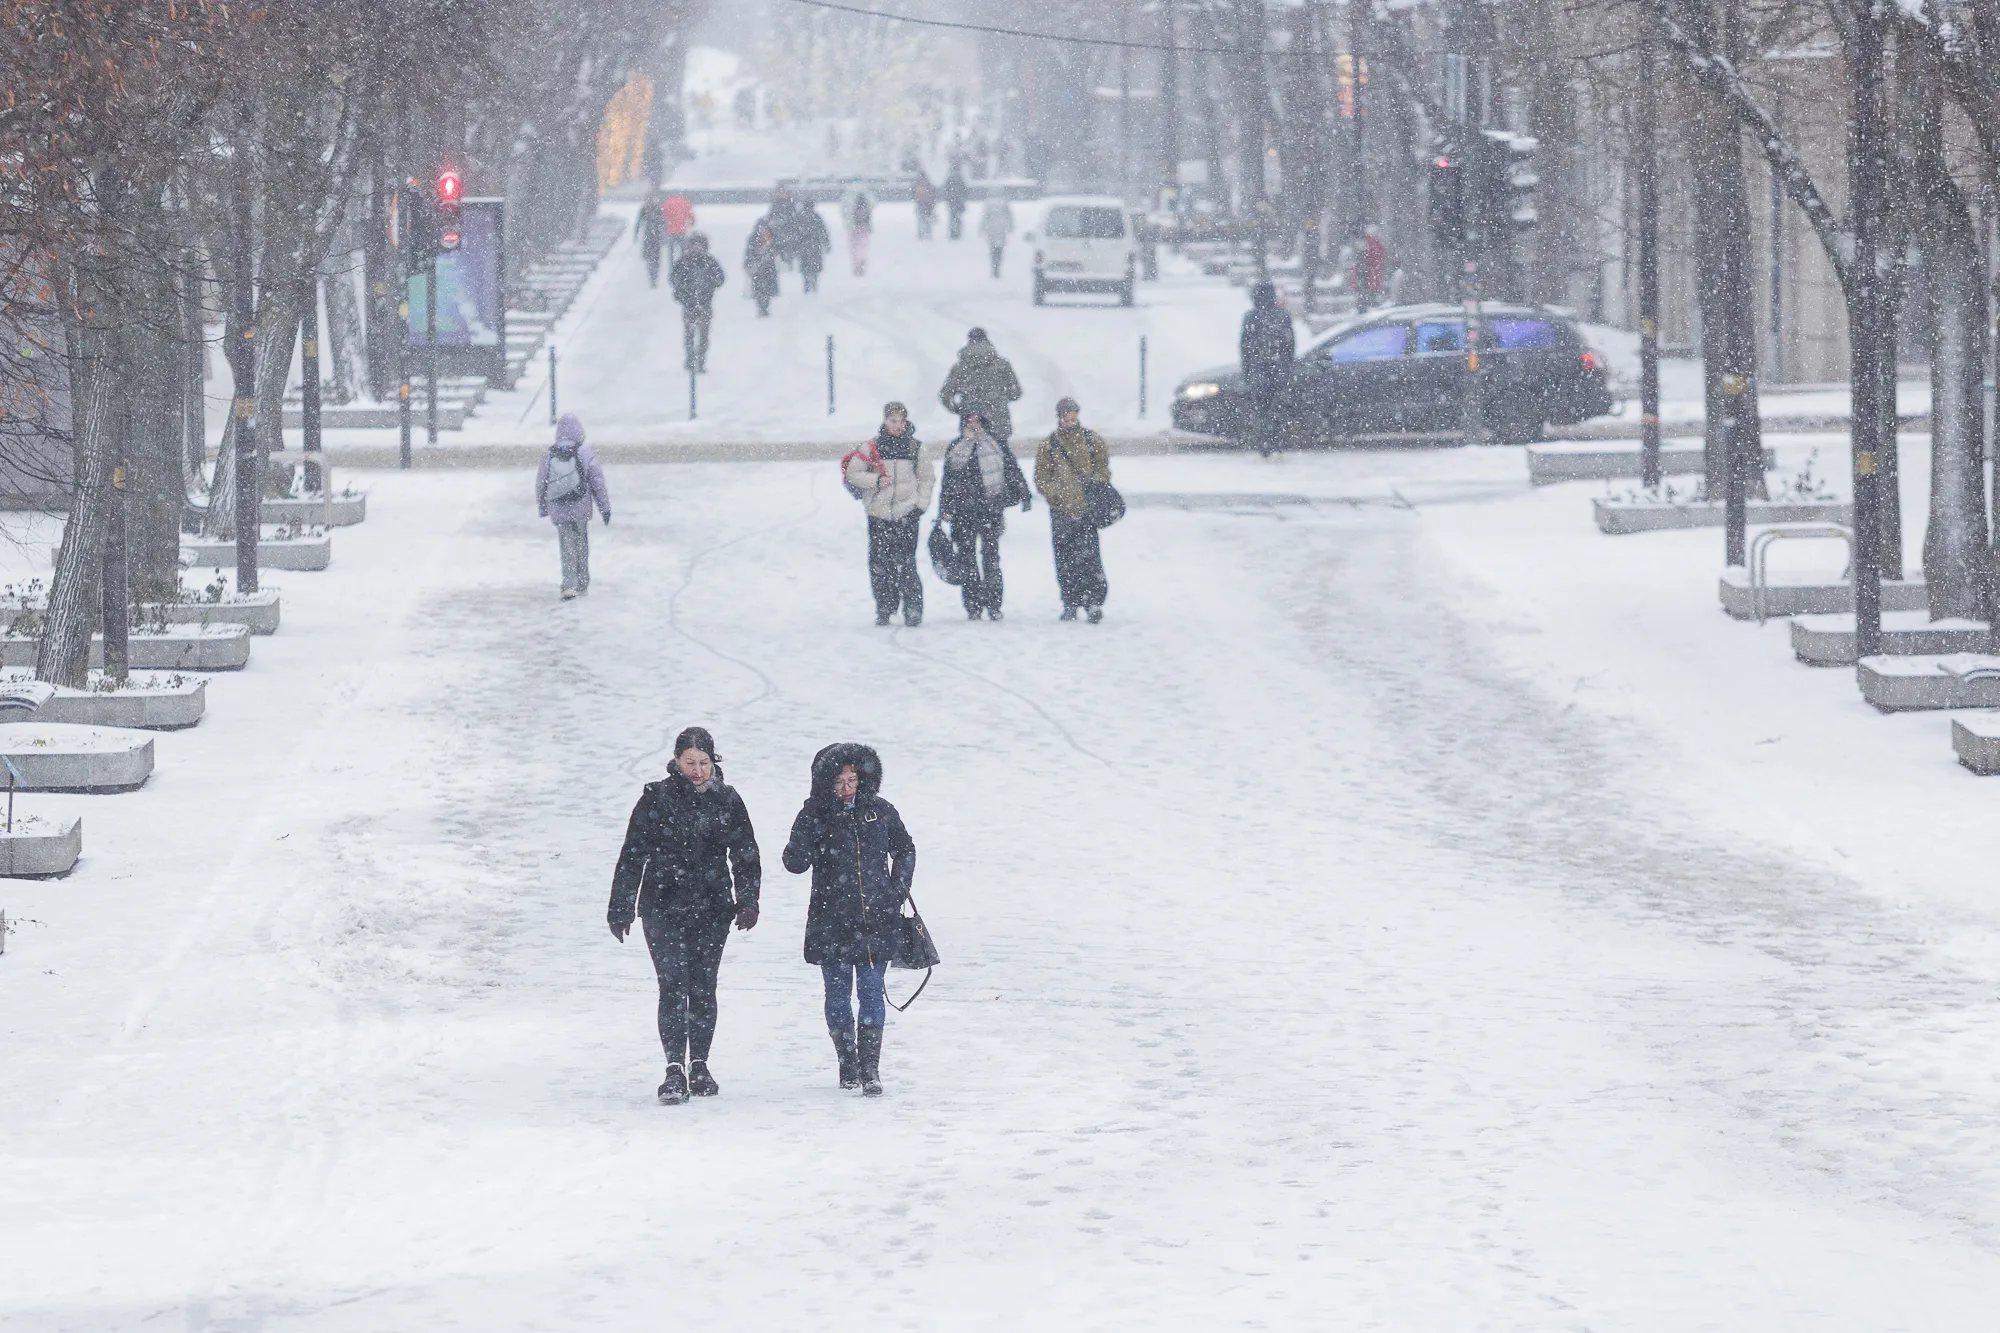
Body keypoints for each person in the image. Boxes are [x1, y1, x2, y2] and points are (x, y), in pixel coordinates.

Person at [608, 727, 762, 1106]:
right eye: (690, 763)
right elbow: (632, 854)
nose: (697, 770)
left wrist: (748, 901)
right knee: (673, 984)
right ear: (676, 761)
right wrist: (620, 907)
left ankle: (700, 1065)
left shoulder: (727, 800)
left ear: (714, 761)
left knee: (703, 986)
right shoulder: (655, 798)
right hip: (662, 905)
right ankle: (674, 1068)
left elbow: (745, 856)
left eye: (704, 763)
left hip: (711, 907)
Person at [780, 743, 915, 1097]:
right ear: (824, 783)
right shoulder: (814, 814)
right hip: (831, 921)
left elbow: (905, 849)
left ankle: (871, 1067)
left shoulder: (880, 811)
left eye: (852, 779)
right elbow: (794, 862)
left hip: (876, 919)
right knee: (837, 995)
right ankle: (847, 1062)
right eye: (839, 781)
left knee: (871, 993)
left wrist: (895, 891)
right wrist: (811, 821)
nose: (847, 788)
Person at [844, 401, 934, 627]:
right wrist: (875, 480)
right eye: (893, 420)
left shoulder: (916, 448)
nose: (897, 426)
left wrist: (920, 506)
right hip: (879, 514)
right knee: (880, 564)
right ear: (885, 420)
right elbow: (853, 473)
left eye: (901, 421)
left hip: (907, 513)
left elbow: (926, 478)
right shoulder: (871, 447)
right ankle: (884, 607)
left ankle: (913, 609)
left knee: (907, 563)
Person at [940, 405, 1028, 621]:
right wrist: (945, 507)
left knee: (991, 559)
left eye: (977, 420)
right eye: (970, 420)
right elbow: (948, 479)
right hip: (963, 512)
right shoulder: (957, 447)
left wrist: (1022, 493)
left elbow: (1011, 469)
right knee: (967, 559)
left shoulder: (995, 443)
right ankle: (973, 605)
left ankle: (994, 604)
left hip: (990, 510)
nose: (974, 424)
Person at [1033, 396, 1112, 622]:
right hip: (1061, 511)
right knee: (1065, 559)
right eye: (1066, 417)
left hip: (1087, 510)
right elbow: (1041, 478)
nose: (1069, 420)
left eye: (1072, 416)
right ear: (1059, 418)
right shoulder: (1048, 445)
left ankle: (1093, 602)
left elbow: (1103, 469)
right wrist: (1055, 494)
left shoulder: (1091, 440)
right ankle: (1070, 601)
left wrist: (1094, 485)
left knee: (1090, 558)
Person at [535, 413, 611, 600]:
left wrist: (543, 507)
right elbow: (597, 483)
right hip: (580, 507)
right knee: (581, 544)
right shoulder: (585, 453)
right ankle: (582, 582)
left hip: (559, 508)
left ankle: (569, 585)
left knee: (566, 545)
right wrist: (604, 508)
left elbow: (541, 483)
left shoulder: (550, 453)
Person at [937, 327, 1024, 444]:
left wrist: (959, 409)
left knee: (971, 456)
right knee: (1001, 455)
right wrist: (999, 398)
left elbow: (945, 394)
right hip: (998, 420)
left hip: (971, 421)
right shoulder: (1002, 365)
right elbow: (1016, 392)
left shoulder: (960, 368)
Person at [1239, 280, 1296, 457]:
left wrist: (1247, 370)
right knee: (1277, 409)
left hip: (1259, 370)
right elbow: (1290, 344)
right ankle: (1276, 443)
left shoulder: (1251, 317)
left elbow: (1245, 346)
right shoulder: (1282, 315)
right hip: (1278, 370)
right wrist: (1287, 366)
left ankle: (1264, 444)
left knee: (1261, 410)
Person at [669, 232, 725, 373]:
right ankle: (691, 359)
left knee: (701, 335)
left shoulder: (705, 262)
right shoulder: (686, 262)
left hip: (702, 304)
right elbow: (673, 279)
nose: (697, 248)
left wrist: (707, 286)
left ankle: (699, 360)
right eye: (694, 245)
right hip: (691, 304)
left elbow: (720, 279)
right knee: (691, 334)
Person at [744, 219, 780, 317]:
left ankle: (765, 307)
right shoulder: (753, 239)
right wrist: (749, 264)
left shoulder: (772, 238)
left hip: (769, 268)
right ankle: (761, 308)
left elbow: (777, 250)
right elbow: (748, 253)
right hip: (757, 269)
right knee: (758, 289)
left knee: (767, 290)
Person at [840, 182, 874, 277]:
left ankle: (855, 264)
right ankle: (862, 258)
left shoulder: (847, 194)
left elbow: (843, 209)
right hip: (863, 223)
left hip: (851, 224)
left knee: (853, 246)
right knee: (863, 243)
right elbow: (872, 204)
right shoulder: (865, 191)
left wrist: (847, 217)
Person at [979, 191, 1014, 279]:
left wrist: (982, 227)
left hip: (991, 228)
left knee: (993, 249)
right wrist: (1010, 226)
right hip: (1001, 228)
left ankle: (994, 267)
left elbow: (985, 216)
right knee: (999, 249)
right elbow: (1009, 216)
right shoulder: (1004, 202)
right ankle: (997, 267)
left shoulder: (988, 203)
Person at [635, 191, 666, 288]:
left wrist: (635, 235)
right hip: (656, 237)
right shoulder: (657, 209)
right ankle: (654, 277)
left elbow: (638, 223)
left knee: (650, 258)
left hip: (648, 237)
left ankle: (652, 277)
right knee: (655, 259)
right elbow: (663, 222)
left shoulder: (644, 209)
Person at [798, 204, 831, 294]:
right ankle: (813, 283)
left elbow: (795, 233)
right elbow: (823, 231)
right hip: (815, 245)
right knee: (814, 266)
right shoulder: (816, 217)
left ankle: (807, 284)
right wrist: (826, 244)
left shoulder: (800, 217)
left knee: (806, 267)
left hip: (804, 246)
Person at [663, 191, 695, 267]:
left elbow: (664, 215)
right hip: (681, 230)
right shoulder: (685, 202)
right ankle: (683, 266)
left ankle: (671, 267)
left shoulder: (667, 203)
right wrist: (692, 221)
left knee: (671, 251)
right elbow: (690, 215)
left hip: (671, 230)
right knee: (683, 250)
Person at [942, 161, 969, 239]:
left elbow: (946, 189)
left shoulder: (950, 178)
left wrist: (948, 197)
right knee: (958, 218)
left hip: (952, 201)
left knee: (951, 217)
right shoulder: (960, 178)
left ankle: (952, 232)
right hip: (959, 201)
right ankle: (957, 232)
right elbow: (965, 190)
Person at [913, 166, 936, 240]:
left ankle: (920, 233)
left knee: (920, 219)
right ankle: (928, 232)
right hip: (927, 203)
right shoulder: (928, 182)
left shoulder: (917, 182)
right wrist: (933, 202)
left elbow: (912, 192)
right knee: (928, 219)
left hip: (920, 203)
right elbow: (932, 193)